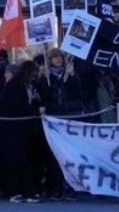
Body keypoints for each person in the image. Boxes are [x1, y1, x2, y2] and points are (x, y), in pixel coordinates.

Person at [36, 49, 84, 200]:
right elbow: (43, 96)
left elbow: (78, 93)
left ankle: (70, 187)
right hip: (53, 118)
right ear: (49, 60)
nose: (58, 59)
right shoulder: (46, 76)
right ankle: (55, 187)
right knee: (53, 155)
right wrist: (43, 79)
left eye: (60, 57)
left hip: (68, 117)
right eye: (54, 57)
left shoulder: (70, 74)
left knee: (69, 153)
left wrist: (71, 77)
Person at [0, 60, 41, 203]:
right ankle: (13, 191)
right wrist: (36, 110)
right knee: (13, 162)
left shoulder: (25, 86)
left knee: (25, 161)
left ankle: (27, 191)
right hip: (12, 129)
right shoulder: (14, 86)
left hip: (22, 129)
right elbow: (17, 106)